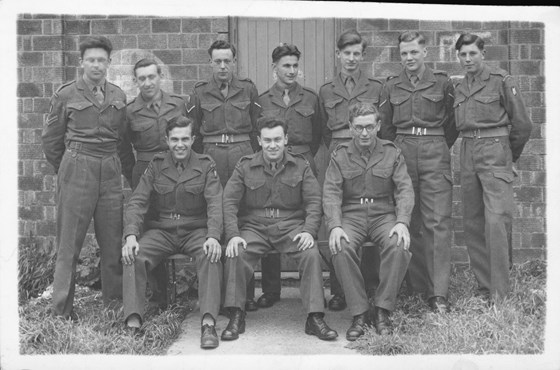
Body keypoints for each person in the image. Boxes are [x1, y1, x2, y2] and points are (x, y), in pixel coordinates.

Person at [42, 36, 135, 319]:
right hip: (77, 165)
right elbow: (51, 140)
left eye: (102, 60)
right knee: (69, 243)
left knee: (111, 240)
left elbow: (122, 139)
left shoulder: (118, 95)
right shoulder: (66, 94)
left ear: (109, 63)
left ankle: (114, 307)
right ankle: (62, 311)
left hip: (109, 167)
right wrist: (69, 170)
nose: (96, 65)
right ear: (81, 62)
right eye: (91, 60)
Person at [221, 117, 338, 342]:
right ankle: (236, 314)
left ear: (285, 139)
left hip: (291, 226)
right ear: (259, 141)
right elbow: (229, 202)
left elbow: (314, 201)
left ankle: (314, 317)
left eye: (277, 139)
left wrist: (308, 231)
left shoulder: (301, 165)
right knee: (237, 252)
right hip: (254, 227)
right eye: (267, 140)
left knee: (311, 253)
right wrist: (234, 235)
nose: (272, 145)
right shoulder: (245, 165)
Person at [121, 116, 223, 349]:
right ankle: (133, 322)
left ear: (193, 139)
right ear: (166, 140)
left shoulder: (206, 165)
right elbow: (137, 202)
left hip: (195, 229)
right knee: (133, 255)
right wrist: (130, 236)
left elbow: (215, 204)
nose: (180, 144)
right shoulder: (156, 165)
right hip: (163, 231)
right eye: (175, 139)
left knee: (210, 254)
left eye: (185, 139)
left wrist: (213, 236)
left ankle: (208, 323)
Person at [378, 31, 458, 312]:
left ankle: (438, 293)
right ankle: (416, 285)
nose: (409, 58)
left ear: (425, 52)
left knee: (437, 221)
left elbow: (453, 122)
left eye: (414, 52)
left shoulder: (442, 82)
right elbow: (385, 126)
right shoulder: (391, 86)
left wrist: (435, 142)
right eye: (404, 54)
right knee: (407, 217)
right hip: (402, 149)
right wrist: (399, 149)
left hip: (435, 147)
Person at [323, 102, 414, 339]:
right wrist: (335, 226)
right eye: (359, 127)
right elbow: (331, 193)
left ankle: (383, 310)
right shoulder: (340, 155)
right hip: (351, 215)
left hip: (383, 214)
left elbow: (404, 189)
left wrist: (402, 221)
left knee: (398, 246)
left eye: (370, 127)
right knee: (340, 247)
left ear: (379, 126)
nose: (365, 133)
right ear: (351, 128)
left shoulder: (392, 152)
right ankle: (360, 313)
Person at [454, 33, 532, 300]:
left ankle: (500, 293)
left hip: (495, 151)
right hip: (467, 153)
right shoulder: (461, 87)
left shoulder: (501, 80)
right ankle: (484, 287)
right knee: (473, 222)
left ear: (483, 53)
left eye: (472, 53)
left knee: (496, 222)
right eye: (463, 55)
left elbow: (523, 125)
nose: (467, 59)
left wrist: (509, 158)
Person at [191, 40, 261, 311]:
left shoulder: (248, 88)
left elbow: (257, 128)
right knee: (216, 216)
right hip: (212, 155)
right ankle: (218, 293)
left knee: (243, 217)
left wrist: (252, 159)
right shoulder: (199, 93)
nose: (223, 66)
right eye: (217, 61)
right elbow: (194, 132)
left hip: (242, 152)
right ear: (210, 63)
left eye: (227, 61)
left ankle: (247, 293)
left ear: (234, 62)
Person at [252, 43, 323, 309]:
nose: (292, 71)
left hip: (303, 162)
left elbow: (318, 135)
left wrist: (301, 156)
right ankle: (271, 289)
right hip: (271, 165)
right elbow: (255, 135)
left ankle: (310, 290)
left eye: (295, 66)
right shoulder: (261, 100)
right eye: (286, 66)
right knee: (271, 215)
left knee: (306, 219)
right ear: (275, 69)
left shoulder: (311, 98)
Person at [319, 29, 384, 312]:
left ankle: (369, 284)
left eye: (357, 53)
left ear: (363, 56)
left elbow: (385, 125)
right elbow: (322, 131)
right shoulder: (326, 90)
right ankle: (339, 290)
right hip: (338, 156)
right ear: (338, 55)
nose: (351, 59)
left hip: (369, 156)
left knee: (370, 212)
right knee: (338, 219)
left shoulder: (376, 87)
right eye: (346, 53)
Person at [126, 58, 193, 308]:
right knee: (149, 230)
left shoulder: (178, 104)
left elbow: (187, 136)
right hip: (145, 169)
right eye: (141, 78)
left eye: (151, 77)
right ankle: (159, 296)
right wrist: (136, 172)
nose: (147, 83)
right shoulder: (130, 110)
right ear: (135, 81)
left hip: (177, 168)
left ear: (160, 76)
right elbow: (124, 148)